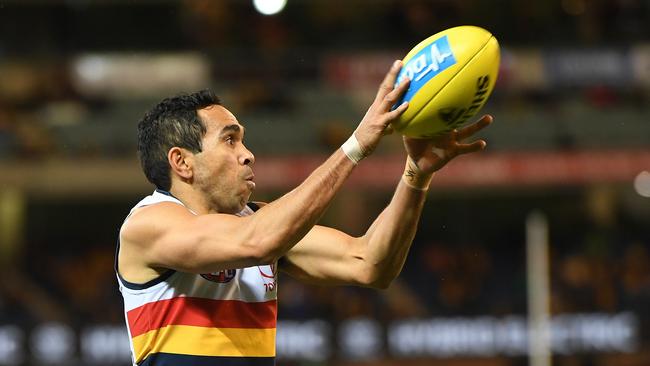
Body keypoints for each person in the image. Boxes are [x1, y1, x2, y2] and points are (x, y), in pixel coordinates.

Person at [116, 60, 492, 366]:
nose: (247, 154)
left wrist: (416, 175)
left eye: (243, 140)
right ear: (181, 162)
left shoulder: (255, 222)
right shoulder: (149, 223)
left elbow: (369, 264)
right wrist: (356, 145)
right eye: (229, 139)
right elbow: (259, 241)